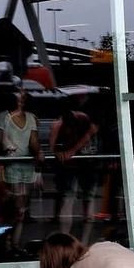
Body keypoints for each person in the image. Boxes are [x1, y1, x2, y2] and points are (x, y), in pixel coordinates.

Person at [0, 87, 43, 252]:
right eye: (18, 97)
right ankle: (6, 242)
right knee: (14, 208)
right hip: (11, 167)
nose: (20, 100)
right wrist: (7, 146)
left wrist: (39, 153)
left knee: (21, 209)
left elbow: (34, 142)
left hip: (27, 167)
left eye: (23, 97)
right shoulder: (4, 116)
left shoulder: (31, 118)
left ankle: (14, 244)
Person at [49, 99, 99, 237]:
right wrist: (59, 152)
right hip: (70, 165)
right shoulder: (58, 124)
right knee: (69, 198)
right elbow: (53, 146)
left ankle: (83, 239)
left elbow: (91, 132)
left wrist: (72, 150)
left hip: (85, 162)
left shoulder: (82, 118)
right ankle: (66, 236)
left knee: (87, 198)